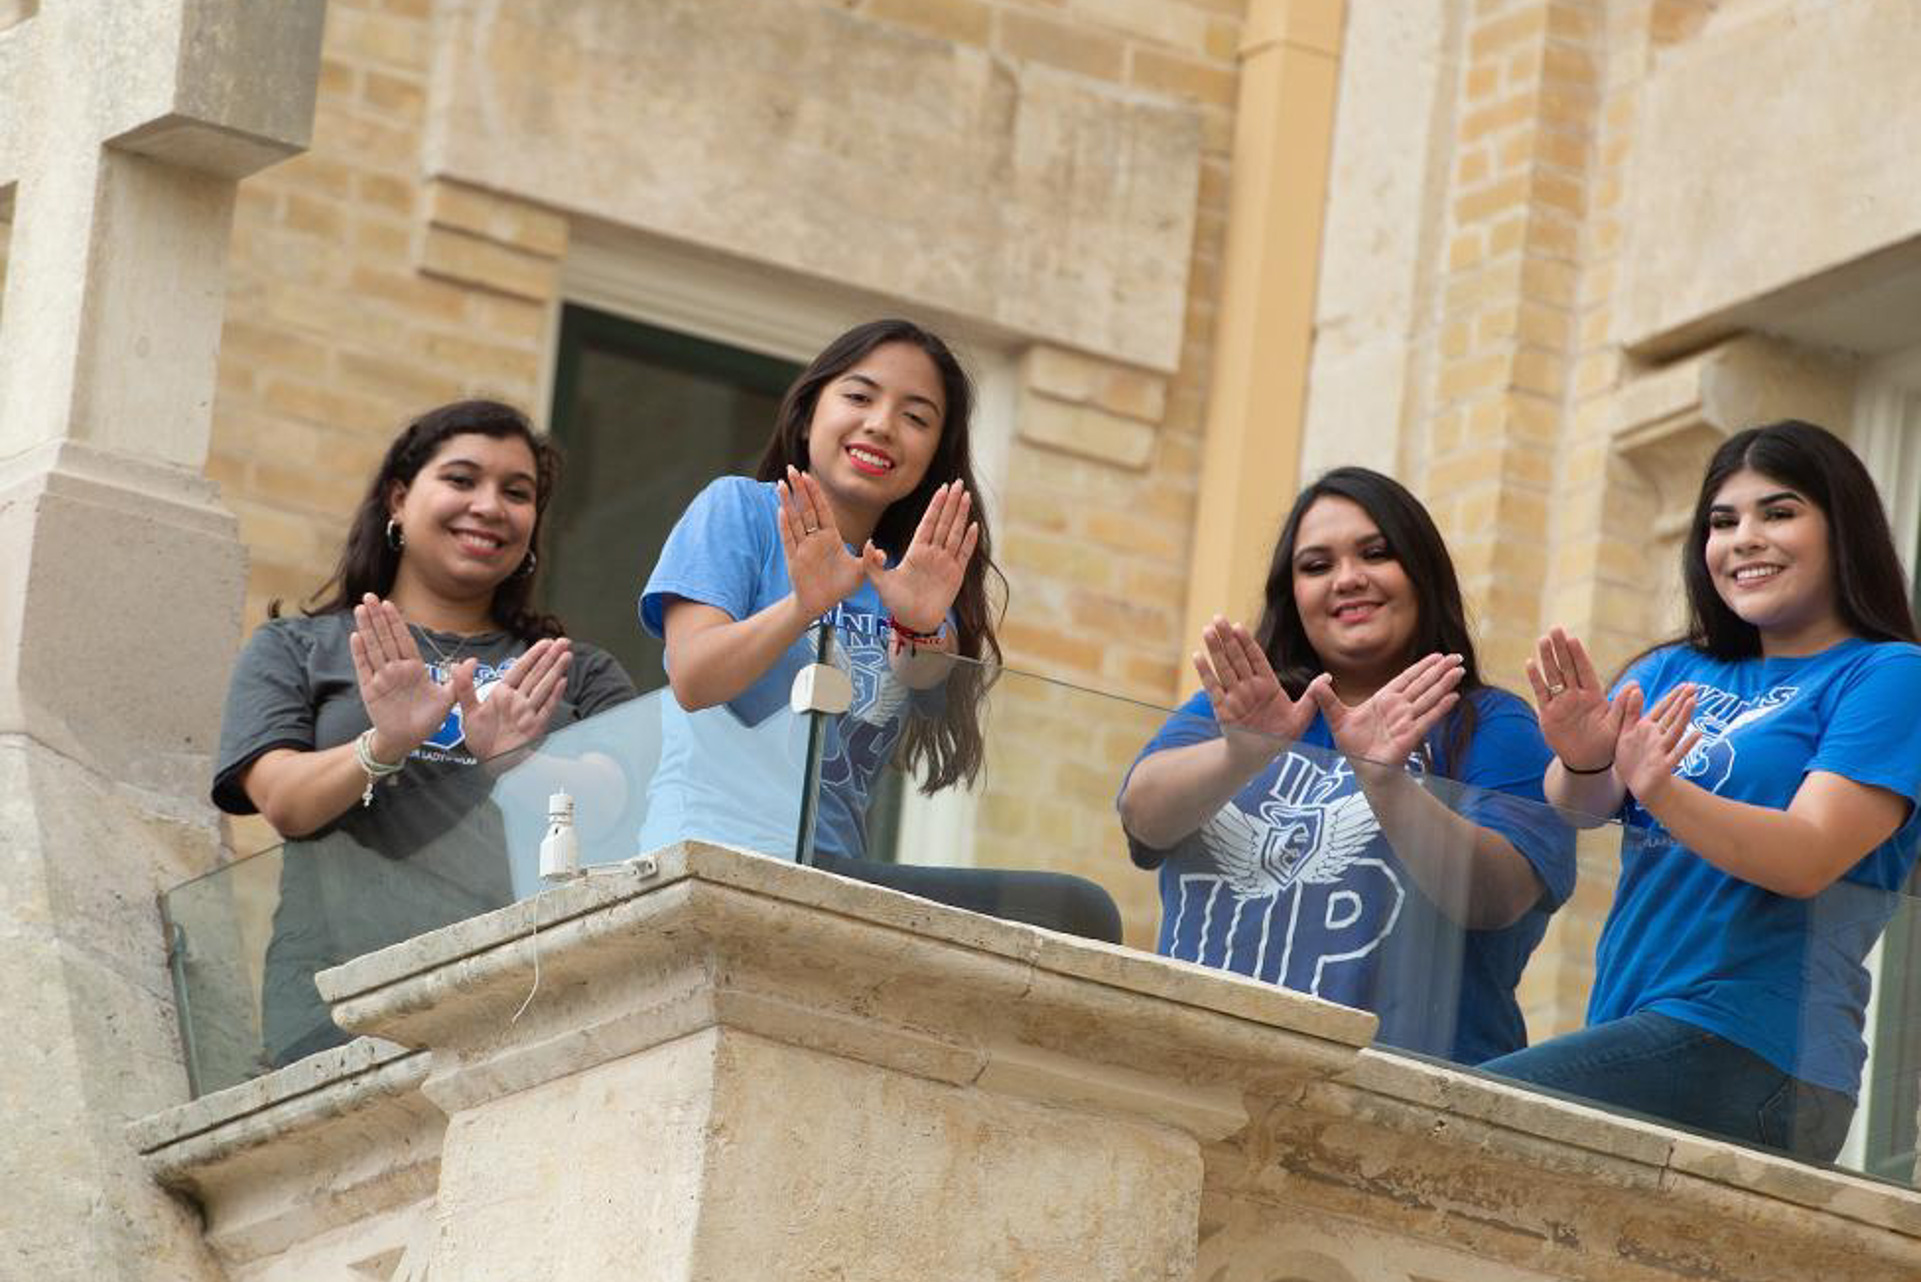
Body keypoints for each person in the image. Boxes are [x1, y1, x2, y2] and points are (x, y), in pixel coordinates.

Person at [1481, 420, 1921, 1162]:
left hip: (1760, 1052)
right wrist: (1583, 759)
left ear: (1843, 529)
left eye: (1777, 513)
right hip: (1637, 1027)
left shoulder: (1888, 675)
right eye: (1722, 522)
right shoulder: (1673, 668)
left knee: (1456, 1111)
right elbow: (1580, 808)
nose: (1744, 539)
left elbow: (1808, 857)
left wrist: (1661, 789)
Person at [637, 319, 1118, 940]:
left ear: (933, 456)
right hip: (712, 853)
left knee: (1076, 912)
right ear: (809, 415)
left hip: (833, 876)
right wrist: (802, 606)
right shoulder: (740, 510)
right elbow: (693, 678)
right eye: (859, 396)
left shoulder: (913, 573)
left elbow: (929, 679)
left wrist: (919, 624)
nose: (882, 425)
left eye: (916, 418)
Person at [212, 399, 636, 1067]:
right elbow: (284, 802)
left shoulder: (572, 669)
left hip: (530, 1004)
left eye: (517, 493)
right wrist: (385, 744)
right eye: (462, 479)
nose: (489, 506)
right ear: (399, 500)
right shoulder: (297, 648)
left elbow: (616, 807)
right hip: (340, 1011)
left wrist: (514, 761)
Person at [1118, 467, 1574, 1063]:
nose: (1348, 579)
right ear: (1293, 595)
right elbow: (1142, 819)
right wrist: (1240, 754)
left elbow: (1497, 896)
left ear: (1422, 571)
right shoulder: (1243, 709)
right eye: (1316, 566)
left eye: (1376, 554)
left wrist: (1385, 781)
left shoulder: (1490, 724)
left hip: (1400, 1090)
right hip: (1202, 1066)